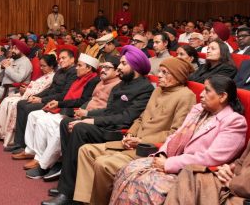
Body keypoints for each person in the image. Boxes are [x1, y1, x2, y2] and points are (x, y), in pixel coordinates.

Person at [74, 57, 196, 205]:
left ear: (177, 76)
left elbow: (175, 134)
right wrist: (130, 134)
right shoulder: (158, 90)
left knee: (102, 163)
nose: (159, 75)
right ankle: (84, 200)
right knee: (86, 150)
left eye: (165, 72)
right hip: (133, 141)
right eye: (160, 71)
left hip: (148, 149)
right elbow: (141, 118)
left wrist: (141, 141)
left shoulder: (186, 96)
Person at [41, 45, 154, 205]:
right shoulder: (121, 85)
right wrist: (87, 115)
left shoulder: (145, 88)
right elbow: (109, 111)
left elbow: (126, 118)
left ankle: (68, 193)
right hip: (107, 125)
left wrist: (91, 120)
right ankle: (68, 182)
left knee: (80, 128)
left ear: (135, 66)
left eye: (123, 64)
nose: (119, 68)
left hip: (119, 131)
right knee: (67, 122)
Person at [109, 75, 248, 204]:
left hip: (195, 174)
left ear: (222, 96)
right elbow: (175, 135)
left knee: (146, 184)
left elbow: (212, 158)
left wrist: (169, 163)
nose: (201, 94)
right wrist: (162, 154)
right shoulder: (199, 110)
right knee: (127, 170)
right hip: (172, 160)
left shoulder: (234, 121)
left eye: (207, 91)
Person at [165, 84, 250, 205]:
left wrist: (233, 182)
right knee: (190, 171)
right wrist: (228, 169)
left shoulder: (234, 121)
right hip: (231, 189)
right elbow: (240, 163)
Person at [14, 54, 100, 180]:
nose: (77, 68)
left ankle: (43, 162)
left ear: (89, 68)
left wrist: (58, 104)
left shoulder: (92, 80)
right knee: (34, 115)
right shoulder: (79, 77)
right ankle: (34, 152)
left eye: (80, 65)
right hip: (66, 107)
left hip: (74, 112)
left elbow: (80, 101)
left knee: (45, 121)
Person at [4, 49, 77, 153]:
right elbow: (50, 88)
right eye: (59, 58)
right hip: (48, 98)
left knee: (27, 107)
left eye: (63, 58)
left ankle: (25, 145)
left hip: (57, 102)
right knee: (21, 103)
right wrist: (35, 96)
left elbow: (64, 94)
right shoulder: (60, 71)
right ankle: (18, 142)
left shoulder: (73, 73)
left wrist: (41, 99)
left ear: (72, 59)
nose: (60, 60)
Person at [0, 54, 57, 146]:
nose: (41, 68)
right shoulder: (44, 75)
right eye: (40, 66)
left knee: (13, 103)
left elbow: (42, 91)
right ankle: (1, 133)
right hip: (28, 94)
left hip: (34, 97)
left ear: (51, 66)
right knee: (7, 100)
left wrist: (26, 91)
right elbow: (34, 87)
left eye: (44, 66)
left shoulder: (53, 77)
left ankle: (11, 138)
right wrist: (24, 90)